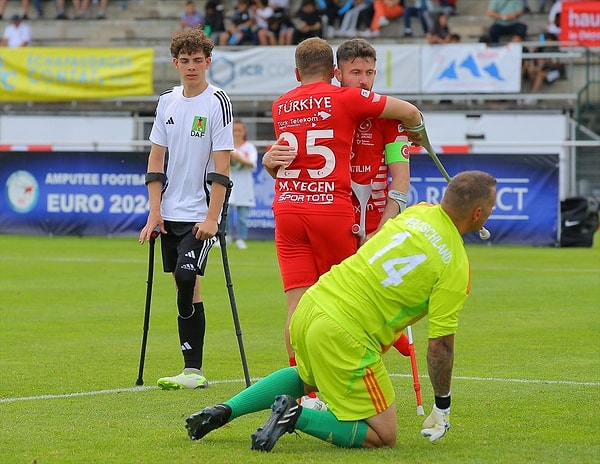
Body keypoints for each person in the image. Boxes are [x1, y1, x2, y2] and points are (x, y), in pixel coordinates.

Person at [185, 169, 498, 451]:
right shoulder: (456, 267)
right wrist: (442, 406)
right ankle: (295, 415)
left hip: (312, 303)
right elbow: (440, 346)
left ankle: (224, 410)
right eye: (492, 208)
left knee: (308, 377)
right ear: (478, 213)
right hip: (345, 333)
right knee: (384, 434)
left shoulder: (419, 212)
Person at [260, 37, 423, 367]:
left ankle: (305, 388)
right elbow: (410, 111)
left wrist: (269, 164)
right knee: (348, 299)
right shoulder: (346, 99)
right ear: (335, 72)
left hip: (288, 208)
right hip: (332, 210)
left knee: (297, 305)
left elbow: (292, 159)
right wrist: (418, 128)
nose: (364, 80)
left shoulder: (280, 105)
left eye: (370, 73)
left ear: (297, 73)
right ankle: (368, 357)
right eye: (356, 72)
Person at [138, 27, 234, 391]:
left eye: (198, 60)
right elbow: (156, 157)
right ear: (175, 63)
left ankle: (193, 369)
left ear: (208, 62)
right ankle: (191, 370)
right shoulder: (167, 101)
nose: (191, 67)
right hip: (171, 211)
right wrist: (154, 211)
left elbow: (222, 167)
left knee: (185, 276)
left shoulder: (218, 102)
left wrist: (212, 217)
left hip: (200, 213)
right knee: (186, 287)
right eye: (185, 61)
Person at [227, 119, 257, 250]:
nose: (237, 133)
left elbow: (252, 164)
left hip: (245, 186)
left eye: (239, 130)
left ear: (244, 132)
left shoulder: (249, 147)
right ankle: (226, 236)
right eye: (234, 130)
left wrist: (240, 159)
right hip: (229, 184)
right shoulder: (226, 146)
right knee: (226, 213)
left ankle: (241, 238)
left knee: (242, 216)